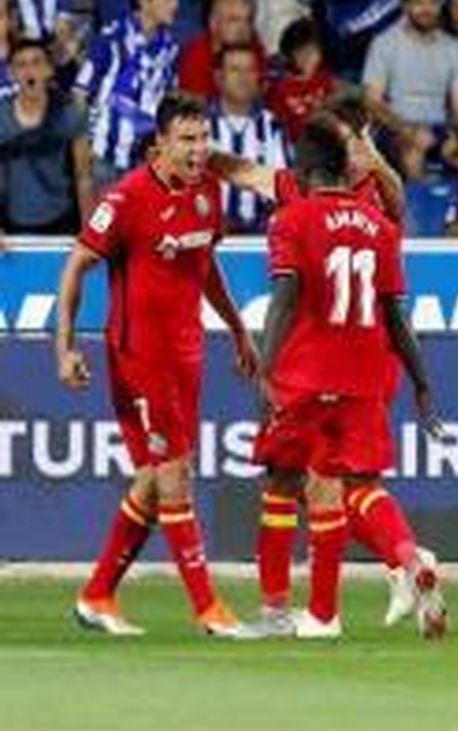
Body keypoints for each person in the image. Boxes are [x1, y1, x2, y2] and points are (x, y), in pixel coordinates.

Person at [209, 97, 440, 633]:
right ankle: (405, 561)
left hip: (313, 366)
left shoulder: (333, 198)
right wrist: (203, 156)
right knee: (346, 485)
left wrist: (265, 369)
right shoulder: (371, 213)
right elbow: (241, 169)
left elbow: (286, 295)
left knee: (306, 484)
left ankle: (308, 611)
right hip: (367, 365)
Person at [55, 91, 258, 639]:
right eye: (187, 140)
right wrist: (66, 347)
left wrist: (238, 329)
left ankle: (97, 595)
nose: (198, 150)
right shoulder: (126, 200)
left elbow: (205, 266)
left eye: (203, 138)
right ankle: (208, 609)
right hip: (137, 356)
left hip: (186, 353)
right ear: (158, 145)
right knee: (173, 476)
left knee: (151, 479)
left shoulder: (207, 193)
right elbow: (75, 268)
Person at [362, 0, 458, 178]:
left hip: (438, 127)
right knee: (413, 153)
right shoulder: (384, 44)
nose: (426, 10)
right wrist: (408, 130)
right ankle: (419, 204)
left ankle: (456, 204)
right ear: (406, 6)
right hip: (395, 126)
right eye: (419, 3)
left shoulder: (455, 48)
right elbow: (372, 102)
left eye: (432, 4)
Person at [73, 0, 181, 187]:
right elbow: (79, 94)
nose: (175, 4)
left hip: (146, 160)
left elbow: (168, 99)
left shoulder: (170, 47)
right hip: (104, 157)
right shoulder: (111, 38)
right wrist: (81, 150)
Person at [0, 39, 94, 235]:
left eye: (36, 63)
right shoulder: (1, 116)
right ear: (12, 74)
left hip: (61, 221)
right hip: (13, 224)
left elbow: (83, 175)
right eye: (21, 65)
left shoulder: (69, 113)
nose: (29, 71)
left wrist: (88, 230)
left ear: (49, 70)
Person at [209, 43, 289, 234]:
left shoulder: (272, 125)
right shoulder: (197, 125)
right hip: (207, 237)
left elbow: (284, 187)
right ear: (218, 77)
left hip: (261, 239)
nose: (243, 78)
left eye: (250, 70)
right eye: (235, 70)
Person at [177, 0, 268, 101]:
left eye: (248, 20)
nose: (242, 28)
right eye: (234, 20)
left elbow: (261, 91)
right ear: (213, 23)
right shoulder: (195, 56)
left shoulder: (255, 45)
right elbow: (197, 106)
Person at [266, 17, 336, 143]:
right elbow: (277, 129)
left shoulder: (325, 78)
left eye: (312, 52)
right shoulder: (280, 89)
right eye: (300, 52)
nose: (307, 57)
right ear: (290, 55)